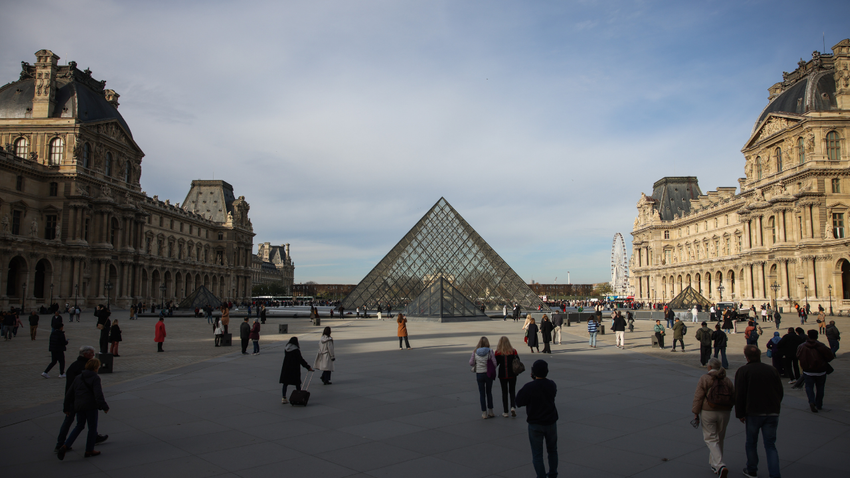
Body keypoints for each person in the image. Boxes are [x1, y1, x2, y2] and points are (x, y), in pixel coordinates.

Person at [735, 345, 783, 478]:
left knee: (751, 442)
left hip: (753, 412)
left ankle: (752, 469)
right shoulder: (772, 370)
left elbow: (739, 394)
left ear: (747, 356)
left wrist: (740, 413)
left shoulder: (744, 371)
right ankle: (775, 474)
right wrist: (776, 406)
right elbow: (780, 391)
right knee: (770, 445)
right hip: (772, 412)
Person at [54, 346, 107, 453]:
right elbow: (97, 393)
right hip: (84, 401)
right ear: (85, 354)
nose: (93, 355)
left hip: (74, 400)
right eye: (92, 353)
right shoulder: (87, 370)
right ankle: (89, 447)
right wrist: (103, 405)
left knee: (75, 423)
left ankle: (61, 444)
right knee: (89, 424)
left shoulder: (73, 366)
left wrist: (66, 404)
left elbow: (69, 388)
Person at [692, 357, 735, 478]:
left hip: (708, 410)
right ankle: (714, 464)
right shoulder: (727, 380)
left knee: (710, 438)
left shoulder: (705, 378)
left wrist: (695, 412)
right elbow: (733, 395)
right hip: (725, 411)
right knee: (719, 437)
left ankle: (720, 464)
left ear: (709, 367)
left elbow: (698, 396)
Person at [516, 360, 558, 478]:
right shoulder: (551, 384)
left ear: (533, 373)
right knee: (552, 450)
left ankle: (541, 476)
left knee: (537, 454)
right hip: (550, 422)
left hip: (535, 423)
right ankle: (553, 473)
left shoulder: (529, 387)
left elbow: (518, 401)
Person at [797, 329, 834, 413]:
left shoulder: (802, 346)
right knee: (820, 388)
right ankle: (819, 404)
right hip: (821, 371)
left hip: (808, 371)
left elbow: (798, 356)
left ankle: (811, 401)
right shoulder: (822, 346)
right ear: (817, 336)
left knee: (809, 387)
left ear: (808, 336)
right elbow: (830, 356)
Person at [279, 337, 314, 404]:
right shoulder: (296, 350)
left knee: (285, 384)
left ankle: (283, 397)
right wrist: (308, 367)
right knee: (297, 383)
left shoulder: (286, 348)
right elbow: (301, 360)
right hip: (294, 368)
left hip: (286, 368)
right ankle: (299, 396)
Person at [470, 336, 497, 419]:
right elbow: (495, 363)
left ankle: (484, 413)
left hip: (479, 374)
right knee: (489, 392)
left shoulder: (475, 352)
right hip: (488, 374)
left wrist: (477, 363)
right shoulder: (490, 351)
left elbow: (471, 363)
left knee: (482, 393)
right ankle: (491, 411)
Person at [494, 336, 519, 418]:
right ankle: (513, 407)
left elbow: (495, 364)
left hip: (502, 374)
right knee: (512, 391)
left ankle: (505, 411)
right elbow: (517, 361)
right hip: (512, 374)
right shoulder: (513, 351)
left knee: (504, 392)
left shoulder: (498, 352)